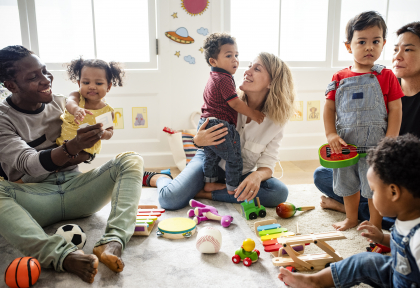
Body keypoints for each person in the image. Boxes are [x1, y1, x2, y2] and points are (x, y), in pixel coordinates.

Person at [0, 46, 143, 283]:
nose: (46, 79)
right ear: (12, 85)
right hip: (35, 197)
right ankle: (61, 255)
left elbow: (90, 149)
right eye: (33, 77)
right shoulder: (3, 118)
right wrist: (72, 148)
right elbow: (29, 164)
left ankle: (113, 241)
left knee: (131, 159)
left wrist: (92, 144)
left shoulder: (62, 104)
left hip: (76, 188)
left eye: (45, 71)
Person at [143, 52, 295, 210]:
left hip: (239, 174)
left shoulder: (276, 121)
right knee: (169, 199)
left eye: (257, 69)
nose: (247, 71)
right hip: (208, 163)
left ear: (272, 82)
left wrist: (257, 175)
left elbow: (268, 163)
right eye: (249, 66)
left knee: (278, 192)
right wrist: (197, 140)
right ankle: (160, 177)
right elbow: (200, 134)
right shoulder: (227, 99)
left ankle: (204, 193)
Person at [314, 21, 420, 231]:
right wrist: (332, 135)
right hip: (355, 153)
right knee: (325, 176)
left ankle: (369, 217)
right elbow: (330, 108)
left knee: (377, 190)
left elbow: (395, 114)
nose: (397, 56)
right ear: (349, 46)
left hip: (399, 172)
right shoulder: (348, 79)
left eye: (407, 50)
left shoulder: (384, 78)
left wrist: (387, 146)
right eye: (396, 49)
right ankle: (355, 213)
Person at [278, 134, 420, 288]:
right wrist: (381, 238)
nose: (370, 195)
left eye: (373, 190)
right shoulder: (406, 217)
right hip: (397, 272)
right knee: (363, 261)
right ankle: (315, 281)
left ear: (393, 192)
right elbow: (399, 242)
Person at [199, 32, 265, 194]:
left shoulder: (214, 76)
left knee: (211, 157)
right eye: (229, 55)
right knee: (234, 157)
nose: (235, 59)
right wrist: (253, 114)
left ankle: (209, 183)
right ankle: (233, 188)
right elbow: (234, 103)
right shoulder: (224, 78)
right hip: (219, 124)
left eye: (236, 54)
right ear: (213, 61)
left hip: (206, 122)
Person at [56, 57, 124, 159]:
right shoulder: (77, 97)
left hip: (87, 151)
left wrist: (103, 133)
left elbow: (110, 131)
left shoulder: (107, 111)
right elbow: (69, 102)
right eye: (86, 83)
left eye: (99, 83)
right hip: (64, 146)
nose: (92, 86)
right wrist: (76, 110)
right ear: (79, 84)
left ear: (108, 87)